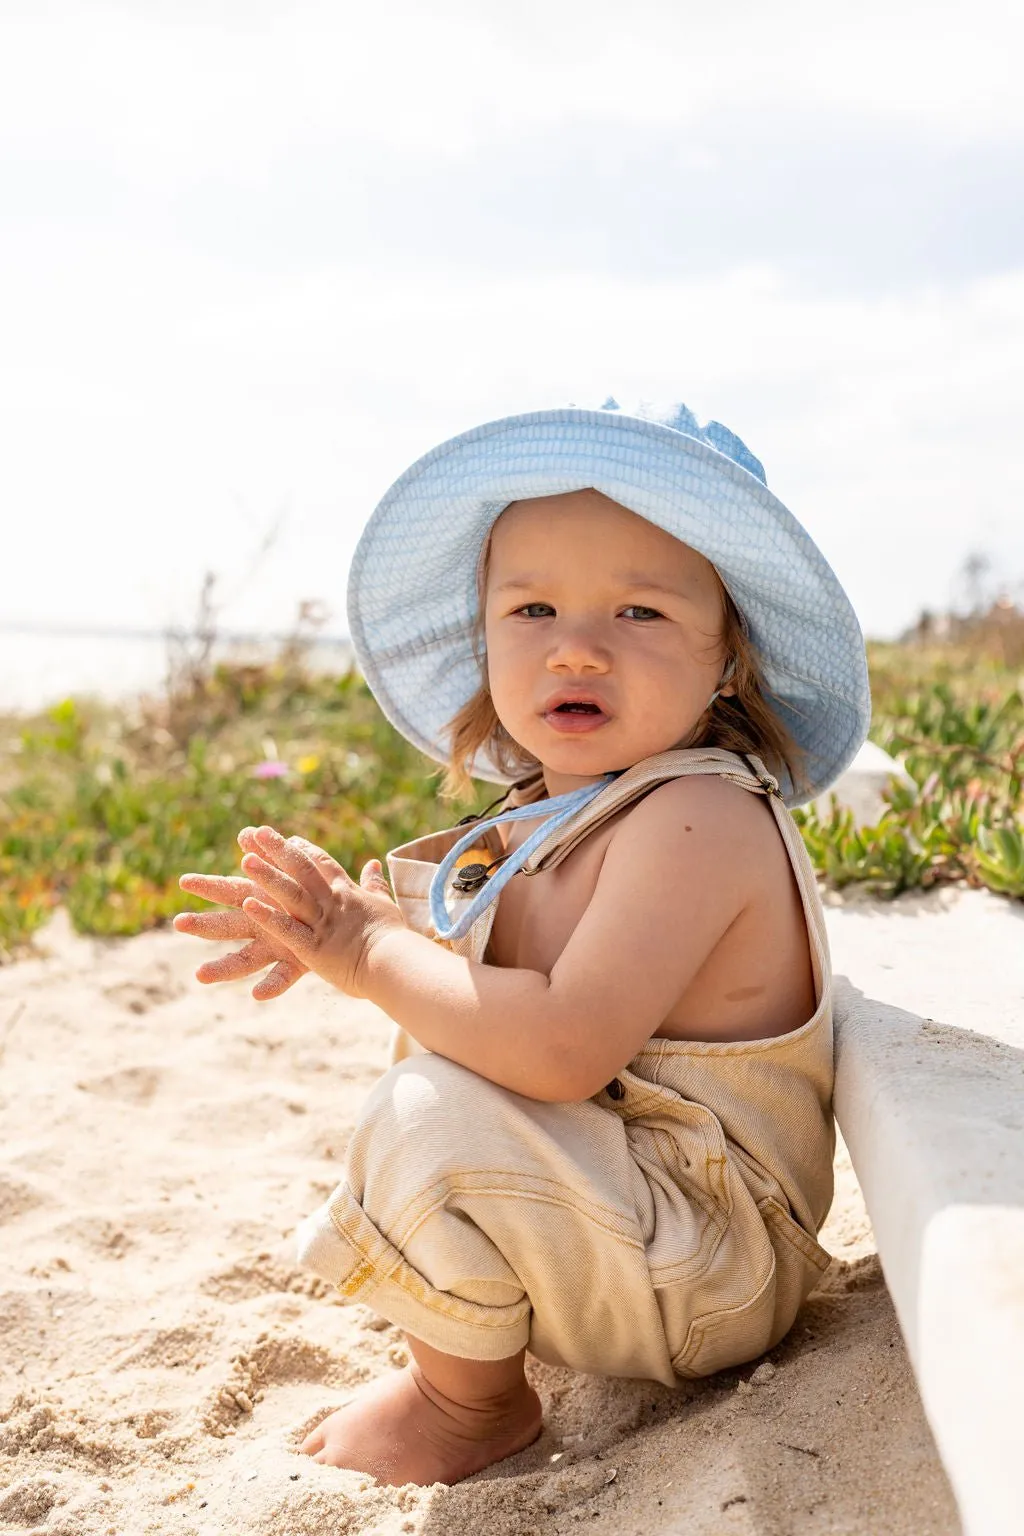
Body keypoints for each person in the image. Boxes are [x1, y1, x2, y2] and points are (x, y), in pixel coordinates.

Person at [174, 399, 870, 1488]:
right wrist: (361, 936)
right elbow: (484, 1012)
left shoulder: (701, 817)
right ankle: (474, 1352)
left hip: (713, 1263)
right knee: (440, 1051)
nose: (578, 646)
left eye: (639, 611)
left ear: (726, 653)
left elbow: (559, 1051)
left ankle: (469, 1408)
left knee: (433, 1110)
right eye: (534, 606)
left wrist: (374, 954)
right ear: (485, 634)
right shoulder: (536, 820)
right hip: (631, 1231)